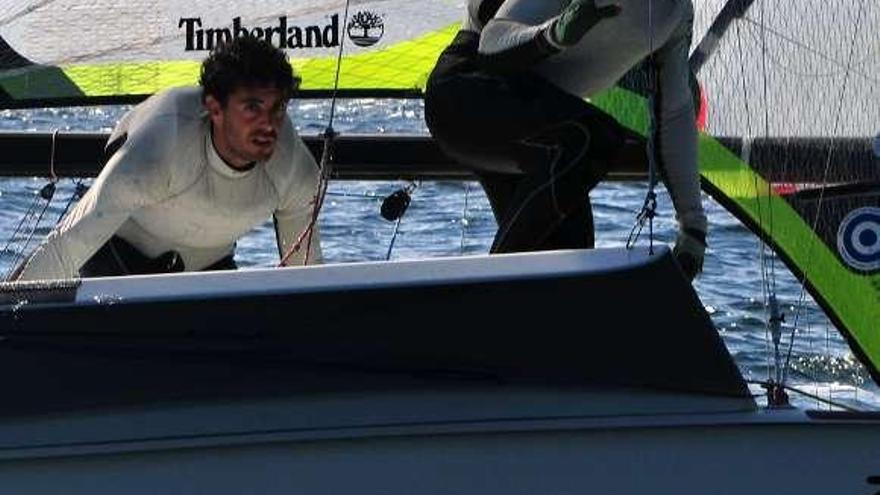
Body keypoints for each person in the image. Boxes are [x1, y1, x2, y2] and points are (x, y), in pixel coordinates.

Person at [425, 0, 707, 280]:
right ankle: (487, 294)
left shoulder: (675, 12)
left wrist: (692, 226)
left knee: (571, 261)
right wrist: (555, 34)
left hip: (541, 132)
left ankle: (502, 306)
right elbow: (492, 44)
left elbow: (675, 113)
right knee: (595, 138)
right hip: (464, 92)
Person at [14, 35, 322, 281]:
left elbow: (307, 279)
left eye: (278, 108)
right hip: (115, 261)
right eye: (252, 107)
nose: (269, 124)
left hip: (208, 274)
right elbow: (64, 249)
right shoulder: (159, 148)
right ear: (214, 108)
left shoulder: (295, 169)